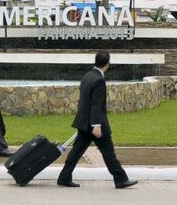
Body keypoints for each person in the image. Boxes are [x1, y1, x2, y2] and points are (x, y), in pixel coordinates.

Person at [57, 51, 138, 189]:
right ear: (108, 64)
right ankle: (121, 179)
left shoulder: (87, 76)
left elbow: (84, 102)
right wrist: (96, 125)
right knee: (108, 152)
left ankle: (64, 177)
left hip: (84, 123)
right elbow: (96, 105)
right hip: (95, 124)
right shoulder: (99, 80)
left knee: (76, 152)